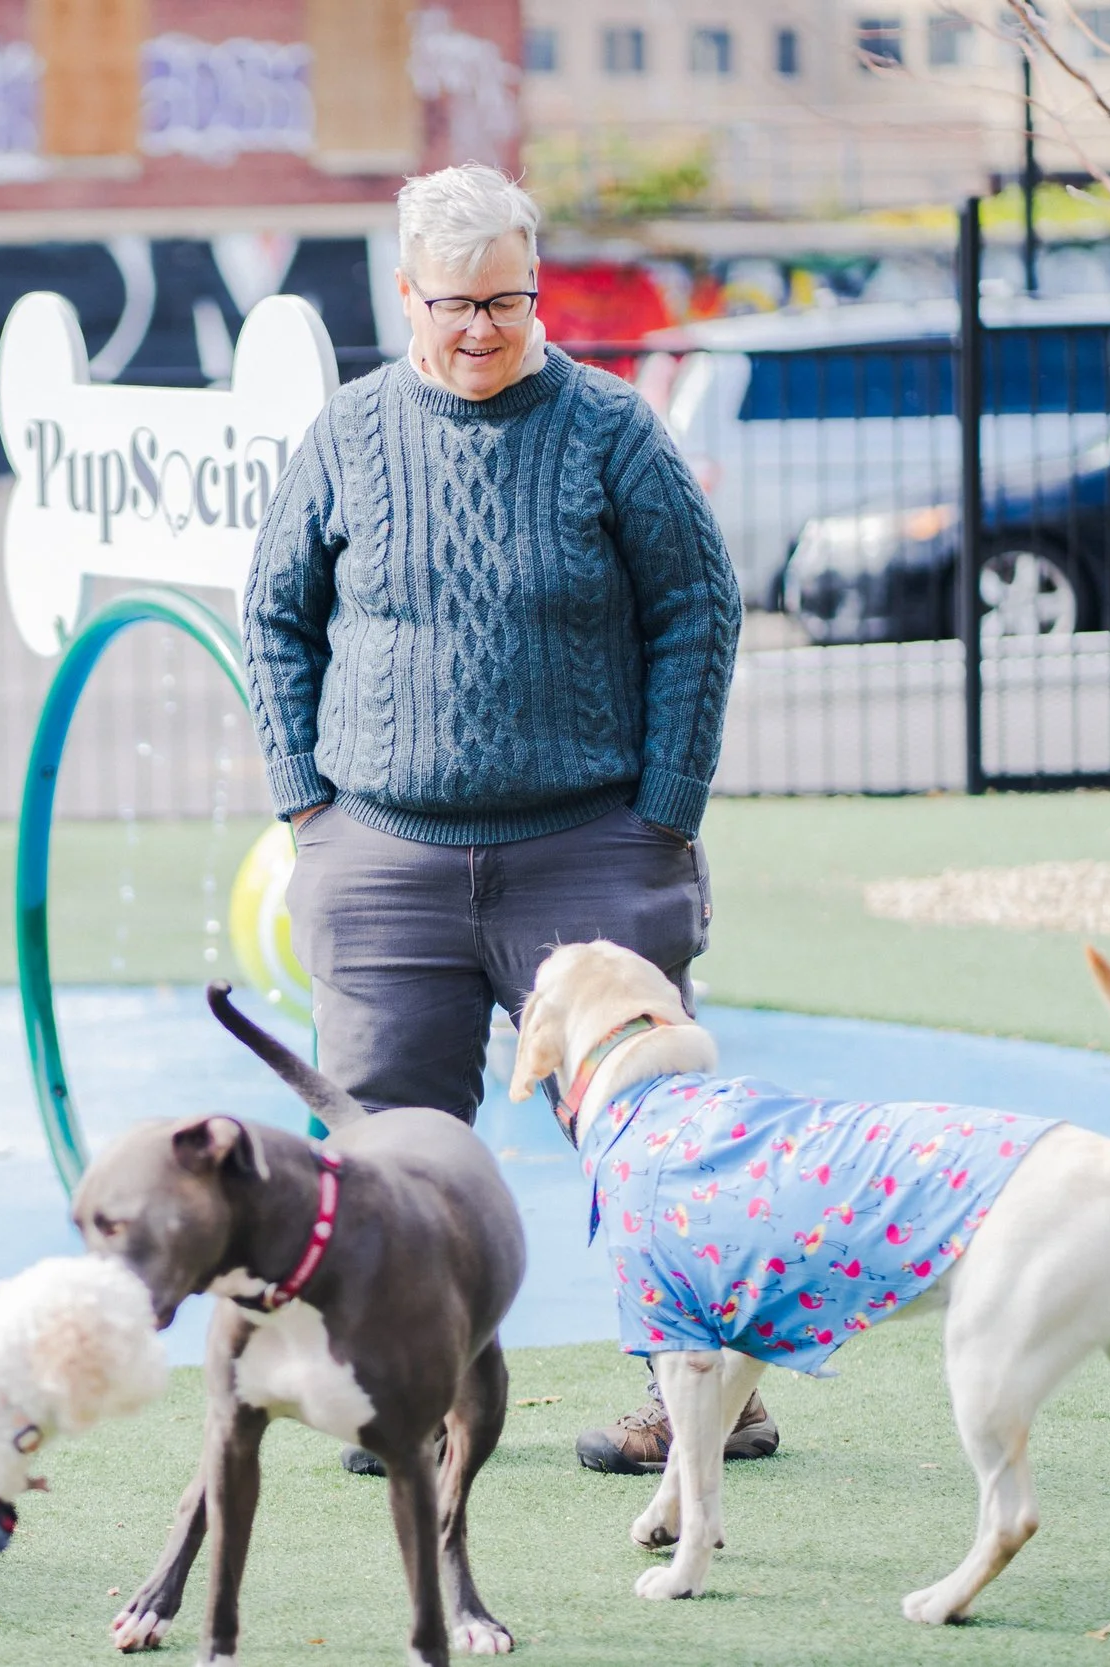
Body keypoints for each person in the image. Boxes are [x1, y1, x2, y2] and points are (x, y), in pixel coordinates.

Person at [241, 162, 769, 1476]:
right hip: (386, 855)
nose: (482, 328)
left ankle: (709, 1397)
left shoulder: (609, 430)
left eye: (507, 301)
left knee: (645, 1133)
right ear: (407, 296)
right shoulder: (349, 437)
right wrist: (310, 808)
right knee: (385, 1146)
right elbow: (274, 619)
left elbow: (699, 612)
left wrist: (661, 816)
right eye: (455, 304)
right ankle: (406, 1388)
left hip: (589, 845)